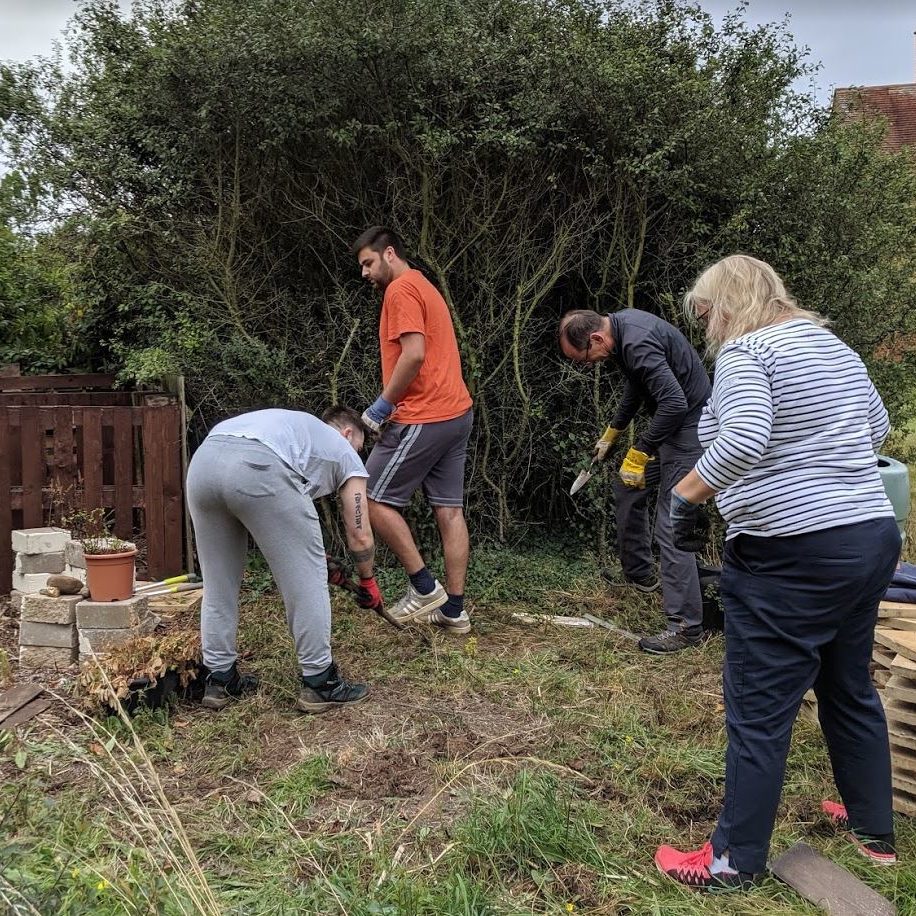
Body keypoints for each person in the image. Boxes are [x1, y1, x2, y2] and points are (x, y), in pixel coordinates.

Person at [655, 254, 901, 891]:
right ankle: (873, 827)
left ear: (728, 306)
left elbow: (742, 439)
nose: (706, 329)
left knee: (758, 709)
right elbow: (878, 427)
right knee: (849, 683)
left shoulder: (746, 354)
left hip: (791, 555)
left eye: (706, 315)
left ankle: (731, 861)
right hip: (870, 538)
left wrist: (682, 499)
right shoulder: (833, 348)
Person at [187, 406, 382, 713]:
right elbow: (360, 534)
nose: (358, 453)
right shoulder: (343, 451)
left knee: (218, 584)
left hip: (204, 463)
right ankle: (321, 683)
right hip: (258, 465)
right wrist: (367, 580)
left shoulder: (297, 432)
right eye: (359, 445)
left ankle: (220, 679)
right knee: (307, 585)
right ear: (347, 433)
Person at [558, 307, 712, 653]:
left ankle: (686, 627)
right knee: (628, 486)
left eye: (584, 358)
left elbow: (673, 402)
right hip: (674, 425)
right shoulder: (622, 331)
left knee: (673, 524)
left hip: (691, 429)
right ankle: (641, 575)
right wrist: (613, 432)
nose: (588, 364)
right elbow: (636, 387)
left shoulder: (638, 341)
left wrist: (640, 451)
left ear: (596, 339)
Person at [353, 226, 474, 635]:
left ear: (389, 254)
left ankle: (424, 589)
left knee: (369, 497)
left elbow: (415, 353)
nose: (365, 273)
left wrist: (382, 405)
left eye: (368, 263)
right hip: (457, 412)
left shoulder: (401, 289)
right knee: (449, 510)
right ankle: (454, 611)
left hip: (424, 413)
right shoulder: (424, 283)